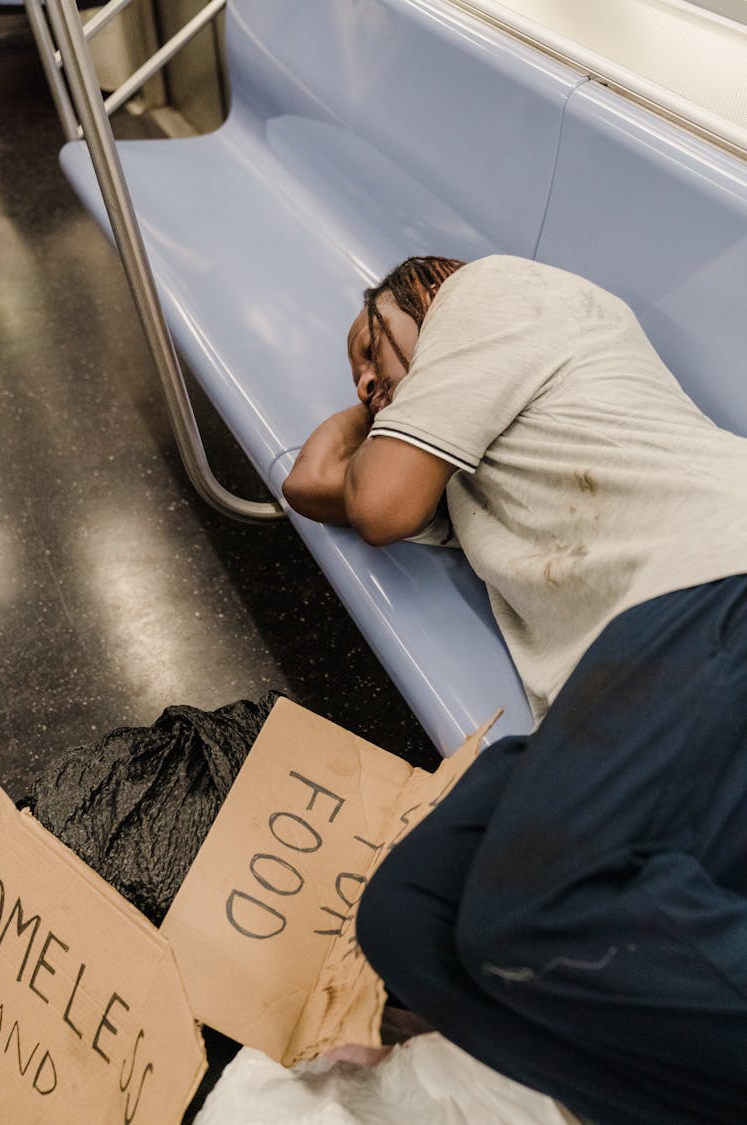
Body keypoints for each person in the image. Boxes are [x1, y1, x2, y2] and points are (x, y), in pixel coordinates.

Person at [283, 255, 747, 1125]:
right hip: (615, 687)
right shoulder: (467, 477)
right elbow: (311, 478)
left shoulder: (492, 292)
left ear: (422, 291)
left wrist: (395, 361)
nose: (361, 382)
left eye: (365, 351)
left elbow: (373, 499)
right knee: (407, 918)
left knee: (528, 913)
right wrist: (387, 373)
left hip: (713, 585)